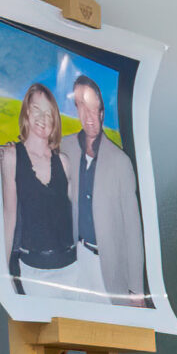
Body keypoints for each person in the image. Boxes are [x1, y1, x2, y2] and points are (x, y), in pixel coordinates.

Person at [63, 76, 148, 307]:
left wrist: (136, 290)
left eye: (94, 108)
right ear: (76, 109)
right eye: (82, 106)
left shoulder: (120, 162)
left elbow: (132, 229)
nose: (89, 117)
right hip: (71, 266)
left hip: (107, 268)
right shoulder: (63, 148)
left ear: (102, 112)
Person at [1, 84, 77, 297]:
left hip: (72, 271)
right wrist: (4, 273)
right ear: (26, 111)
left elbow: (77, 216)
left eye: (48, 113)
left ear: (55, 121)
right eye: (36, 109)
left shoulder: (63, 162)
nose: (42, 117)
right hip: (34, 273)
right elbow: (9, 216)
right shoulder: (11, 157)